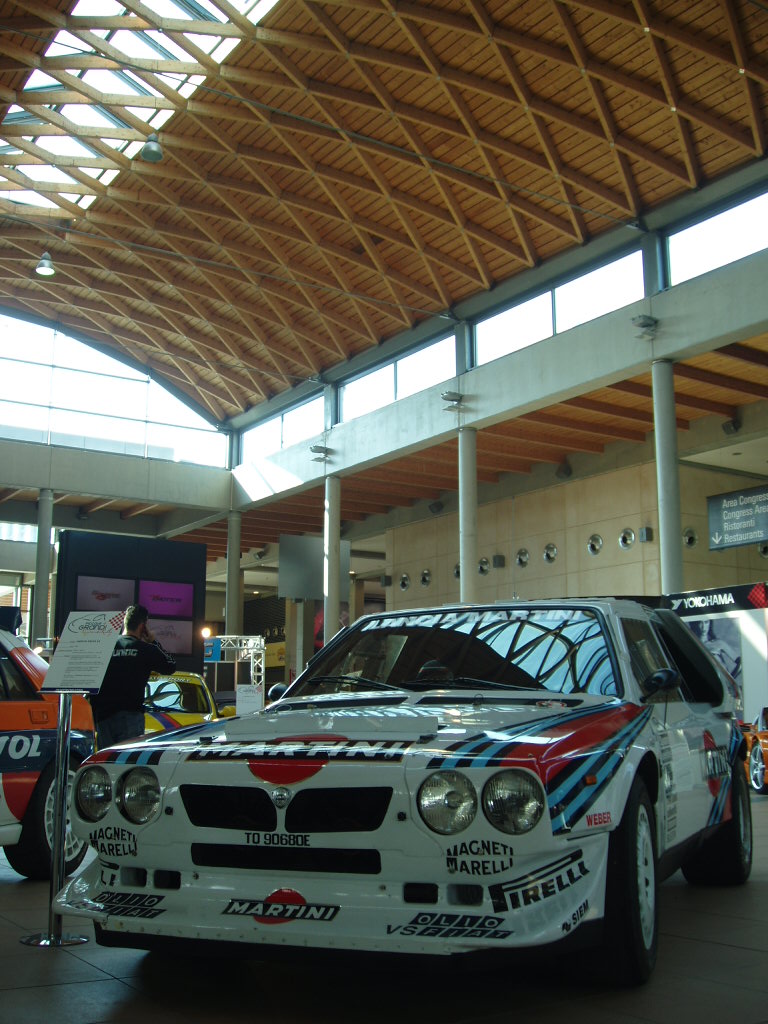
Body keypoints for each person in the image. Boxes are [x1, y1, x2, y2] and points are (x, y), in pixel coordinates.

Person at [92, 604, 176, 748]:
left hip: (103, 717)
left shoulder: (105, 646)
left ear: (124, 623)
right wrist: (153, 642)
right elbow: (170, 666)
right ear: (143, 627)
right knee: (128, 764)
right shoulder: (146, 650)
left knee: (105, 763)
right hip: (130, 716)